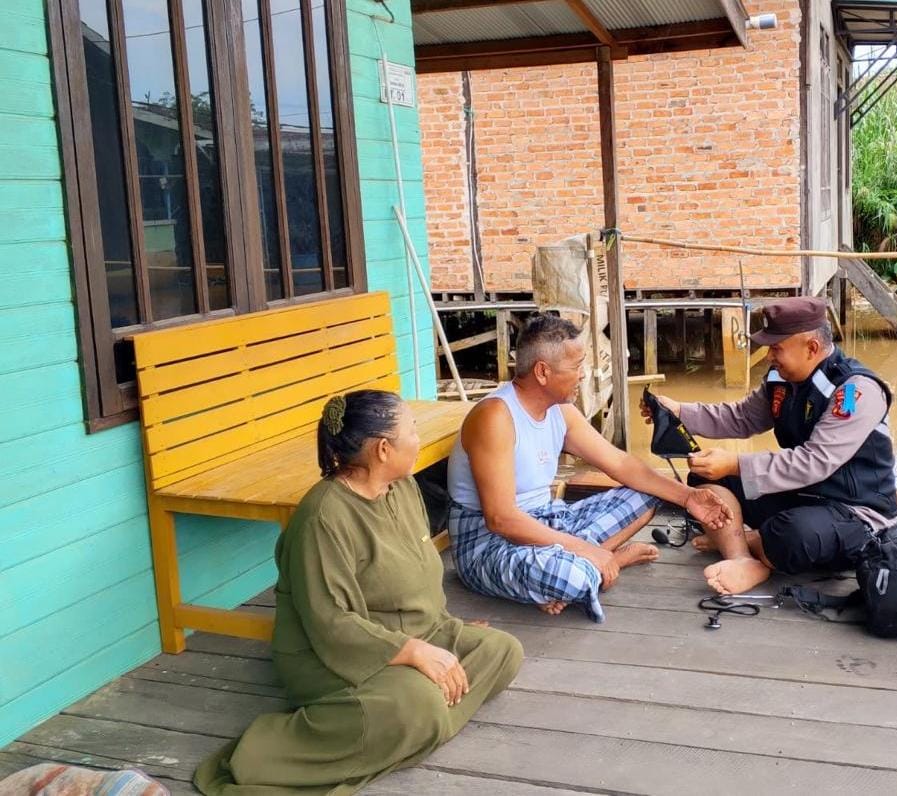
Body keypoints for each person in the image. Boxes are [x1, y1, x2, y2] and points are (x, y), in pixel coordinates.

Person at [194, 390, 522, 796]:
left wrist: (441, 634)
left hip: (415, 633)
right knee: (419, 706)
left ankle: (411, 727)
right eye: (412, 431)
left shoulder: (402, 489)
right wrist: (416, 653)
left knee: (503, 651)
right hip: (332, 654)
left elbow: (416, 580)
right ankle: (275, 750)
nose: (419, 439)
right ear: (384, 449)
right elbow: (330, 624)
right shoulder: (322, 518)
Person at [448, 314, 732, 620]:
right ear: (542, 372)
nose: (583, 375)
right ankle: (604, 562)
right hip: (486, 544)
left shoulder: (561, 411)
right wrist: (588, 550)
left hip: (546, 520)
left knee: (649, 492)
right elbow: (501, 520)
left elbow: (621, 462)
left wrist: (688, 497)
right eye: (576, 366)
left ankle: (579, 568)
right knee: (570, 577)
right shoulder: (495, 417)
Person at [641, 296, 897, 596]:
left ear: (811, 348)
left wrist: (736, 463)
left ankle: (743, 540)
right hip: (801, 494)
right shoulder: (780, 378)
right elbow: (739, 418)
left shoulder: (855, 391)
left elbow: (813, 462)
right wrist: (678, 411)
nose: (769, 356)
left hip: (852, 510)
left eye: (777, 348)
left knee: (791, 535)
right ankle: (742, 556)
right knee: (704, 480)